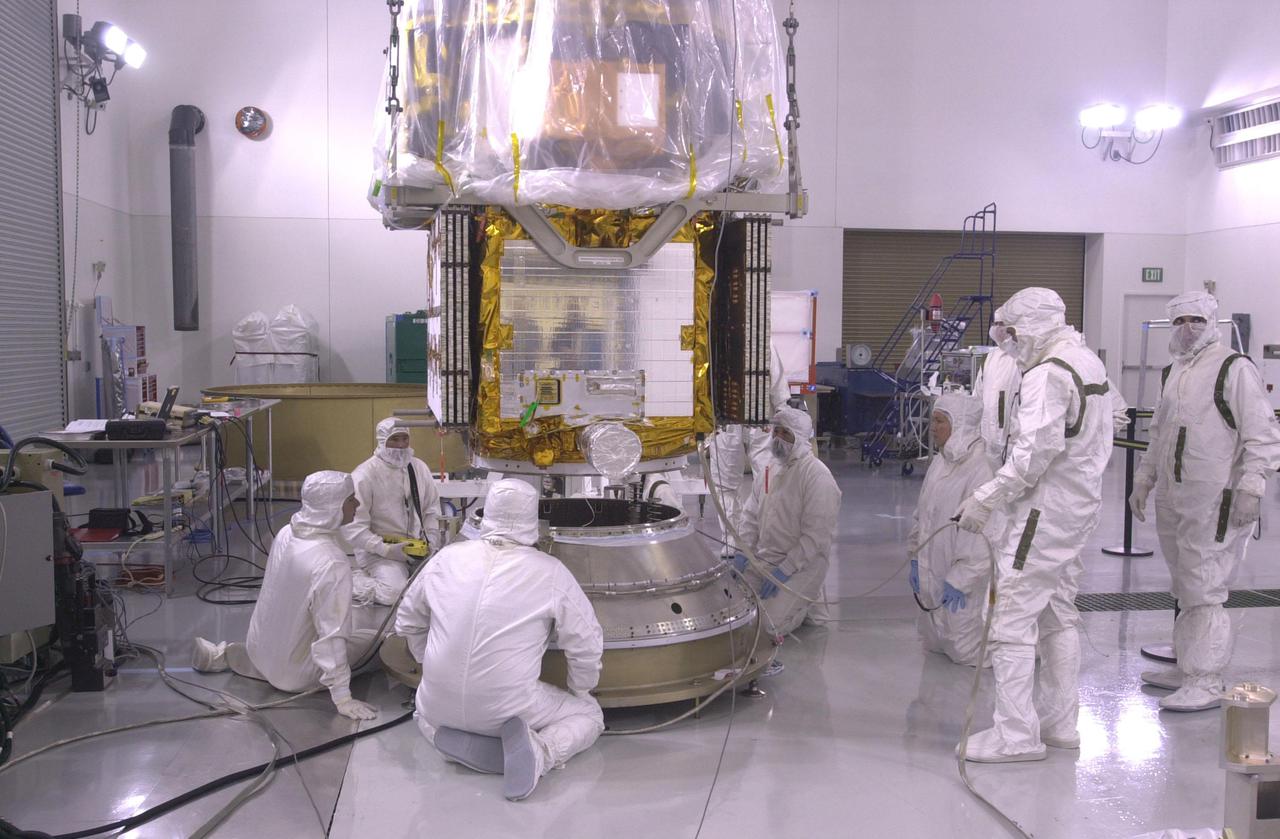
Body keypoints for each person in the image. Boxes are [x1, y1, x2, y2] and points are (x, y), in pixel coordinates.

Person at [955, 287, 1112, 762]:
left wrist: (984, 498)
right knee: (1057, 613)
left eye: (1016, 332)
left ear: (1038, 325)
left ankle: (1016, 736)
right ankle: (1060, 722)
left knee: (1009, 619)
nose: (1012, 341)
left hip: (1040, 514)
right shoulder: (1087, 362)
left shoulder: (1048, 373)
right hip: (1076, 510)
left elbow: (1031, 458)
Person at [395, 479, 604, 801]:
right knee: (589, 716)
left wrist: (429, 663)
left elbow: (407, 620)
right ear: (531, 519)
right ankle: (541, 752)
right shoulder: (550, 571)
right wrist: (581, 689)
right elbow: (585, 643)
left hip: (434, 705)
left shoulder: (445, 559)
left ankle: (453, 741)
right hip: (508, 709)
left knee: (423, 711)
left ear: (487, 512)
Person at [1130, 291, 1280, 711]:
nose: (1186, 329)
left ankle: (1206, 677)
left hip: (1215, 499)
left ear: (1211, 322)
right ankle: (1187, 665)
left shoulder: (1233, 369)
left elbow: (1263, 434)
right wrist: (1145, 477)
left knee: (1205, 587)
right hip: (1176, 496)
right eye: (1178, 322)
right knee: (1185, 584)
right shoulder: (1175, 371)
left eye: (1195, 320)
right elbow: (1159, 430)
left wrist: (1252, 487)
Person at [192, 470, 381, 721]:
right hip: (296, 677)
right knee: (378, 640)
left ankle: (222, 656)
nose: (357, 504)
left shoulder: (285, 534)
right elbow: (332, 636)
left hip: (258, 651)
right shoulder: (331, 562)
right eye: (350, 499)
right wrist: (342, 696)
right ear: (332, 507)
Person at [733, 406, 841, 637]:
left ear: (801, 439)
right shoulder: (769, 470)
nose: (778, 438)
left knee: (765, 628)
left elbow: (815, 537)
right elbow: (750, 517)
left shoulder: (817, 476)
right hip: (765, 558)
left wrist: (787, 569)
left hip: (801, 565)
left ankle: (802, 601)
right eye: (776, 431)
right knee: (732, 615)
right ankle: (806, 605)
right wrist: (742, 552)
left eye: (786, 434)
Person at [908, 392, 993, 666]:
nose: (933, 428)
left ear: (962, 425)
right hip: (933, 570)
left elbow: (984, 536)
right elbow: (923, 514)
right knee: (934, 643)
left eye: (940, 421)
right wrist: (914, 556)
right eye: (933, 420)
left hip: (961, 583)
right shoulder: (940, 461)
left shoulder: (982, 469)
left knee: (965, 652)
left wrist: (961, 579)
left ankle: (1031, 649)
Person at [342, 418, 442, 605]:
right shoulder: (364, 475)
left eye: (405, 439)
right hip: (378, 551)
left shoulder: (418, 468)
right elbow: (353, 528)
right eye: (394, 440)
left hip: (416, 546)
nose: (401, 446)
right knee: (393, 594)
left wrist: (432, 541)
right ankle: (353, 581)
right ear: (382, 441)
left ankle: (405, 576)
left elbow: (431, 509)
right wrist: (385, 549)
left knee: (439, 586)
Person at [709, 344, 792, 551]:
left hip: (760, 418)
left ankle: (767, 538)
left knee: (768, 480)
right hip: (725, 420)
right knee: (724, 482)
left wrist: (782, 411)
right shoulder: (714, 342)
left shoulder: (763, 342)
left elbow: (777, 379)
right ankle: (731, 539)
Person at [975, 325, 1021, 470]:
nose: (999, 329)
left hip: (1013, 438)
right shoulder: (989, 357)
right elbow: (977, 397)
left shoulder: (1022, 357)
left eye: (1003, 324)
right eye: (996, 324)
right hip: (987, 438)